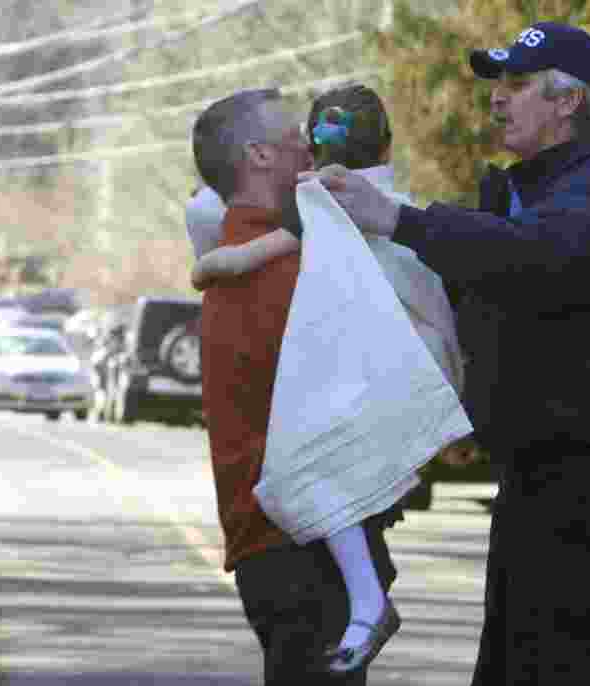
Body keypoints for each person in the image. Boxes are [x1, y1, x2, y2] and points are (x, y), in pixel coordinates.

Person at [314, 21, 590, 685]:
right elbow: (492, 298)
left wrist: (400, 219)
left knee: (555, 670)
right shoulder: (534, 195)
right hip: (536, 477)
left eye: (516, 84)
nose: (497, 98)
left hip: (589, 485)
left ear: (569, 101)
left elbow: (531, 259)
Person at [189, 84, 467, 673]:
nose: (309, 148)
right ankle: (368, 598)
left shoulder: (258, 246)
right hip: (300, 547)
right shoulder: (289, 271)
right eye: (295, 136)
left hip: (283, 543)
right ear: (260, 156)